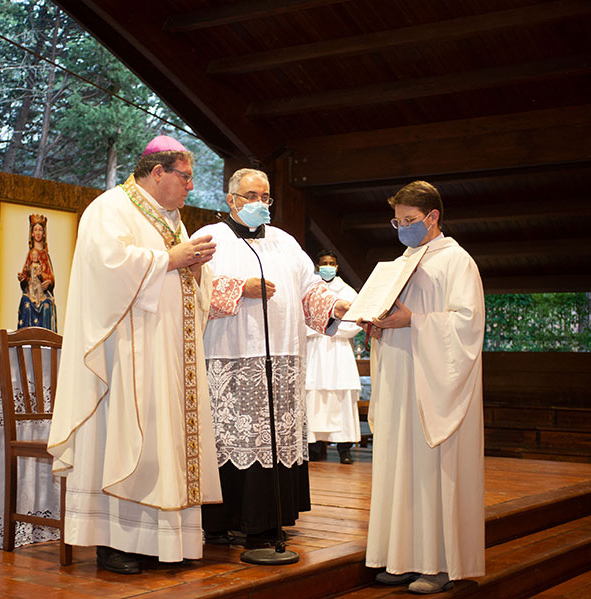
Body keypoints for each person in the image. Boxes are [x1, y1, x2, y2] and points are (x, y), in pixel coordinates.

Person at [47, 135, 221, 575]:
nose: (190, 187)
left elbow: (182, 277)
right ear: (157, 171)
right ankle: (114, 541)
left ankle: (159, 542)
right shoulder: (109, 208)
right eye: (185, 177)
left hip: (169, 352)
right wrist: (170, 258)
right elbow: (108, 269)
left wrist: (194, 267)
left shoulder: (173, 219)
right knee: (128, 440)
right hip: (127, 352)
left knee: (165, 444)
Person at [193, 168, 350, 546]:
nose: (258, 203)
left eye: (264, 197)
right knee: (235, 441)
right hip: (229, 359)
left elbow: (309, 287)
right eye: (250, 196)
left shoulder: (284, 241)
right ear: (231, 200)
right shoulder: (209, 238)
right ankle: (222, 520)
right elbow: (190, 287)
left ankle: (269, 519)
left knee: (276, 440)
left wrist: (336, 305)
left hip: (281, 360)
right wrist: (236, 288)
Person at [361, 180, 485, 594]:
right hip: (400, 375)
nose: (402, 228)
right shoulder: (400, 262)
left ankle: (439, 564)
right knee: (400, 467)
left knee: (432, 471)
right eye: (397, 221)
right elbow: (393, 313)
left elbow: (467, 325)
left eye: (410, 220)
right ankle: (402, 558)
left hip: (435, 382)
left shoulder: (457, 261)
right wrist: (376, 324)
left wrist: (415, 321)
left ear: (433, 217)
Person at [305, 250, 362, 464]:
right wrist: (325, 326)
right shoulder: (310, 291)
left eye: (331, 263)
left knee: (341, 400)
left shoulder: (348, 293)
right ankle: (315, 448)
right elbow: (302, 321)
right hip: (315, 353)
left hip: (338, 353)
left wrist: (325, 327)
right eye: (324, 263)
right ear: (318, 267)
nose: (328, 266)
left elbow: (355, 323)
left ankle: (344, 450)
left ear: (337, 267)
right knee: (314, 398)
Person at [16, 215, 57, 331]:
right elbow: (25, 277)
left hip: (43, 294)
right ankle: (25, 339)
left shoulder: (45, 255)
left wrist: (47, 281)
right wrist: (23, 279)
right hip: (31, 292)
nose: (38, 233)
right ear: (32, 233)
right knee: (25, 303)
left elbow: (51, 278)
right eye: (35, 230)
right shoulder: (29, 256)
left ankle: (46, 340)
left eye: (40, 230)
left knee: (47, 305)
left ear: (44, 233)